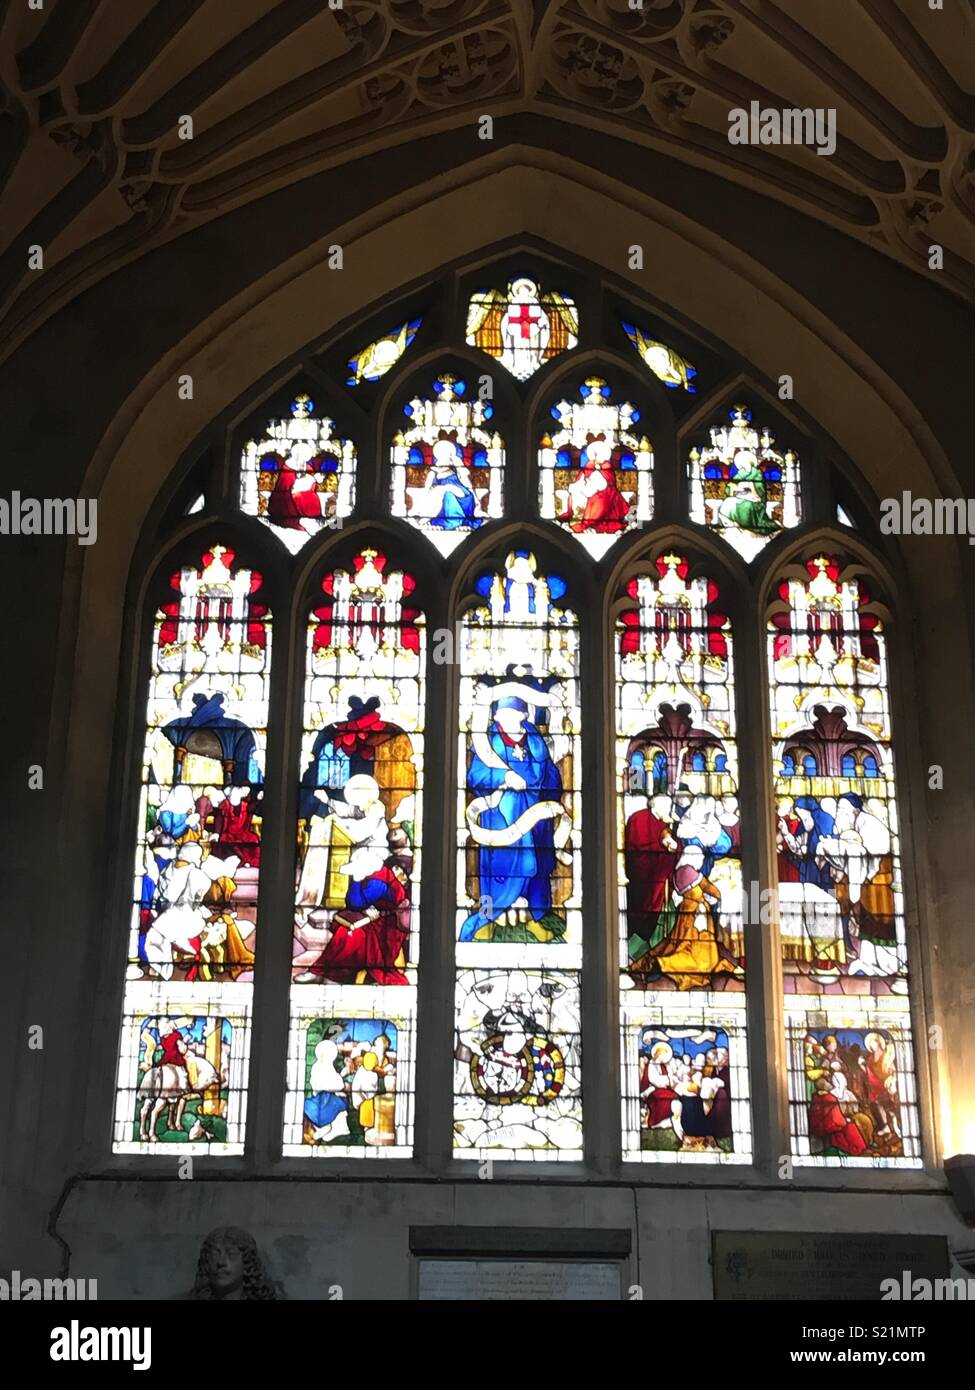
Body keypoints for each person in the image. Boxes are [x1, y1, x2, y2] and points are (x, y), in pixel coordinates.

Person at [459, 695, 567, 942]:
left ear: (523, 716)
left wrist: (552, 798)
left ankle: (535, 919)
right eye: (502, 716)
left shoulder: (536, 743)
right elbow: (475, 777)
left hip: (536, 817)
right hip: (501, 819)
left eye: (513, 715)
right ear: (496, 718)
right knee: (496, 871)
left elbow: (549, 774)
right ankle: (488, 919)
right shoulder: (488, 746)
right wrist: (503, 778)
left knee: (538, 868)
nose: (507, 720)